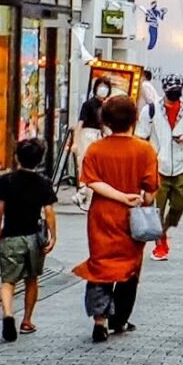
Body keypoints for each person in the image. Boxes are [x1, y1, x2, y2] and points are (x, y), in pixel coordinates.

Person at [72, 95, 159, 343]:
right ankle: (118, 319)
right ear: (133, 119)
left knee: (100, 266)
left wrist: (118, 196)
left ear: (105, 120)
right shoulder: (145, 150)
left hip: (102, 216)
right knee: (129, 268)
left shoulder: (96, 149)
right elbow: (151, 189)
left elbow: (91, 181)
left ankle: (99, 320)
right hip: (131, 219)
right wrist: (139, 200)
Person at [0, 138, 58, 342]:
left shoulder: (6, 180)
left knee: (7, 281)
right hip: (33, 238)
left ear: (16, 157)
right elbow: (49, 212)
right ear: (39, 161)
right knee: (32, 279)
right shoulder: (44, 183)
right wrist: (53, 235)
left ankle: (7, 314)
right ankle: (27, 320)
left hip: (11, 236)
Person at [135, 74, 183, 261]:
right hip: (158, 165)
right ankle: (160, 243)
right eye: (171, 89)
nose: (174, 92)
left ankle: (163, 229)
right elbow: (141, 136)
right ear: (164, 90)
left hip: (180, 164)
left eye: (177, 89)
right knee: (158, 207)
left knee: (180, 203)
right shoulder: (152, 110)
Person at [74, 77, 112, 171]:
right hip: (87, 135)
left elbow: (105, 125)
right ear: (96, 87)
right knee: (86, 160)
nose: (103, 89)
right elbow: (80, 123)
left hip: (100, 136)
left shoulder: (106, 106)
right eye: (101, 86)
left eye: (105, 86)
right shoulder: (88, 104)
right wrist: (75, 141)